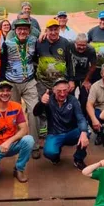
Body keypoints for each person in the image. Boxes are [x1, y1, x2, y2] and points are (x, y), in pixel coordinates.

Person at [0, 80, 36, 182]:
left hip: (10, 145)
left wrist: (9, 142)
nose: (5, 93)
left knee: (29, 140)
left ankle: (19, 169)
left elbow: (24, 129)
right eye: (1, 90)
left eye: (8, 90)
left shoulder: (16, 107)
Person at [0, 18, 41, 158]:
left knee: (34, 111)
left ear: (29, 30)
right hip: (12, 83)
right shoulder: (7, 43)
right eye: (20, 29)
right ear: (15, 31)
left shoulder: (34, 41)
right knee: (13, 114)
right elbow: (2, 63)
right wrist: (2, 83)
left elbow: (37, 58)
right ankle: (15, 142)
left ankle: (34, 145)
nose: (22, 31)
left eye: (25, 29)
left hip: (29, 81)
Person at [34, 18, 74, 158]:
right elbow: (34, 59)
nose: (53, 32)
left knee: (58, 106)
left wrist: (71, 80)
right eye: (50, 30)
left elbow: (70, 63)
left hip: (59, 84)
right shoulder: (39, 42)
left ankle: (59, 132)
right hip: (43, 82)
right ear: (46, 31)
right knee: (42, 106)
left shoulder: (65, 43)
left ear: (58, 30)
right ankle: (42, 134)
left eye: (55, 29)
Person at [34, 78, 89, 169]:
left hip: (71, 132)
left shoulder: (73, 100)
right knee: (49, 152)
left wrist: (83, 132)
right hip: (55, 133)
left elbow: (80, 118)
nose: (62, 94)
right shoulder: (48, 99)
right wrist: (41, 103)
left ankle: (78, 159)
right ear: (54, 90)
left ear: (68, 90)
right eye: (59, 91)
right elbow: (36, 113)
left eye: (65, 90)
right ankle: (56, 155)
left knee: (86, 132)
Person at [70, 33, 96, 124]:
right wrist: (70, 79)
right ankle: (71, 117)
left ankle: (83, 118)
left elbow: (93, 66)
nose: (81, 47)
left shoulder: (91, 50)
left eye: (84, 45)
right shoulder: (69, 46)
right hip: (72, 75)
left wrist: (87, 80)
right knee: (70, 96)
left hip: (84, 76)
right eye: (79, 45)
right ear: (75, 43)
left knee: (85, 97)